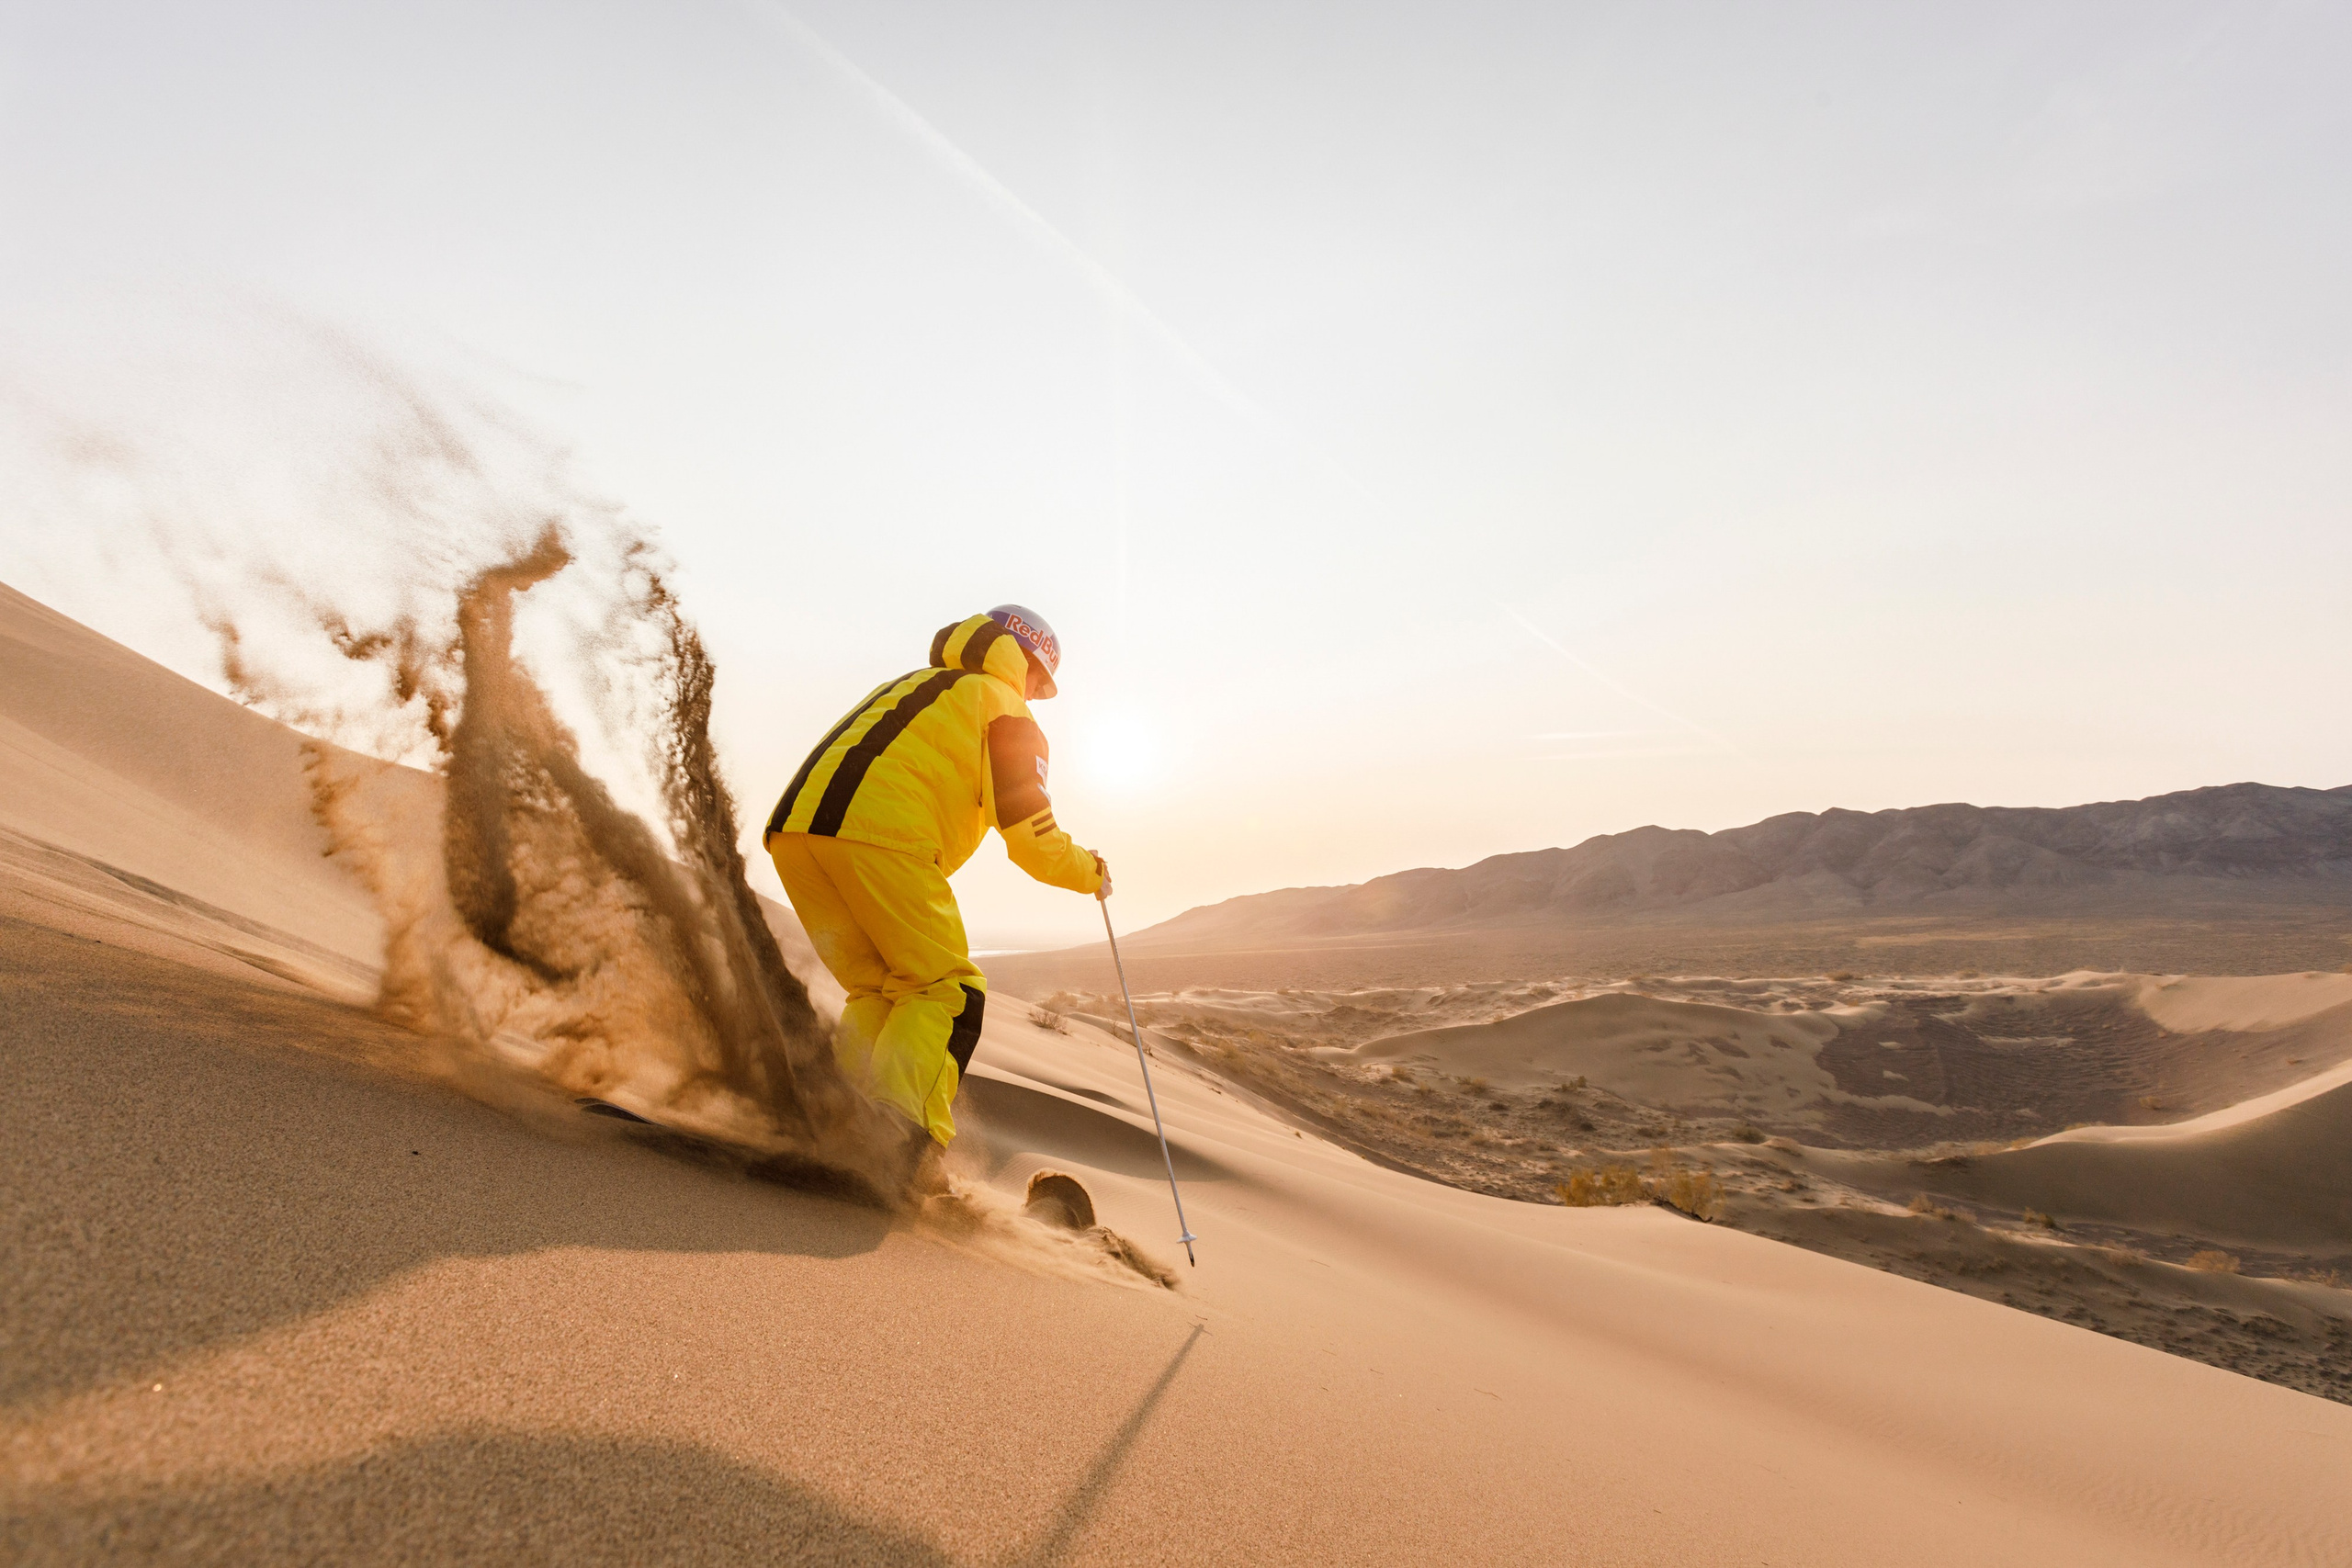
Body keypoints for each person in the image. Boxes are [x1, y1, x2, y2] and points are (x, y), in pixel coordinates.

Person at [763, 605, 1107, 1185]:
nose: (1037, 694)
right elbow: (1032, 837)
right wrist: (1091, 872)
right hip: (882, 836)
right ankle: (897, 1147)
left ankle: (830, 1119)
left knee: (879, 988)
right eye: (1040, 683)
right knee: (947, 988)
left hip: (795, 834)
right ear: (1026, 663)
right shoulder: (1005, 707)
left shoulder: (915, 684)